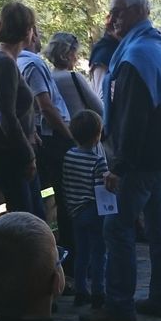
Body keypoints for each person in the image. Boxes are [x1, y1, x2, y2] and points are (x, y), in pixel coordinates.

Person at [80, 0, 161, 321]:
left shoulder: (134, 57)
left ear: (135, 12)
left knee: (117, 228)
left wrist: (119, 168)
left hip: (138, 162)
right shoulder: (159, 50)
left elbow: (131, 118)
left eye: (117, 12)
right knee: (159, 226)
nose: (111, 20)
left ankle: (119, 305)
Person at [0, 2, 44, 220]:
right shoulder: (3, 64)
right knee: (28, 222)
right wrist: (27, 155)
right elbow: (6, 116)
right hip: (13, 158)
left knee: (33, 218)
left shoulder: (3, 59)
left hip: (15, 153)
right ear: (28, 30)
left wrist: (31, 132)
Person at [20, 31, 76, 277]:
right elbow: (46, 106)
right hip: (52, 140)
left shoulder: (16, 61)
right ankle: (67, 264)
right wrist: (68, 135)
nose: (39, 35)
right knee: (67, 200)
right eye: (35, 30)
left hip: (41, 140)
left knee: (50, 202)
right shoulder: (31, 63)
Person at [62, 110, 108, 308]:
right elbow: (102, 189)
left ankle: (81, 290)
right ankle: (98, 291)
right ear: (98, 135)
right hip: (94, 210)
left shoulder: (68, 156)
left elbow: (65, 183)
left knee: (81, 253)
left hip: (75, 211)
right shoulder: (98, 160)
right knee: (99, 252)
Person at [47, 32, 103, 122]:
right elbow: (100, 109)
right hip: (80, 131)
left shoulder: (47, 78)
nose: (76, 58)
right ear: (68, 54)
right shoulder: (74, 78)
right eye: (75, 53)